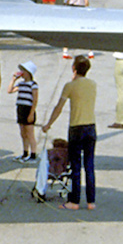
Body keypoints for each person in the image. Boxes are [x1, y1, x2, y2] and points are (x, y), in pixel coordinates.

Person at [42, 56, 99, 209]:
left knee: (75, 165)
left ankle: (74, 201)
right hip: (91, 127)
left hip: (76, 127)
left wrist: (48, 124)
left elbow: (59, 107)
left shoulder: (70, 85)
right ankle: (91, 201)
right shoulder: (92, 84)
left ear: (74, 68)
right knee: (89, 165)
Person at [12, 60, 40, 162]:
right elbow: (10, 90)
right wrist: (14, 79)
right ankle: (25, 152)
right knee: (23, 133)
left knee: (30, 133)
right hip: (20, 108)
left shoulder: (33, 84)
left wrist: (31, 113)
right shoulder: (21, 84)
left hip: (28, 109)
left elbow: (35, 99)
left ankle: (33, 154)